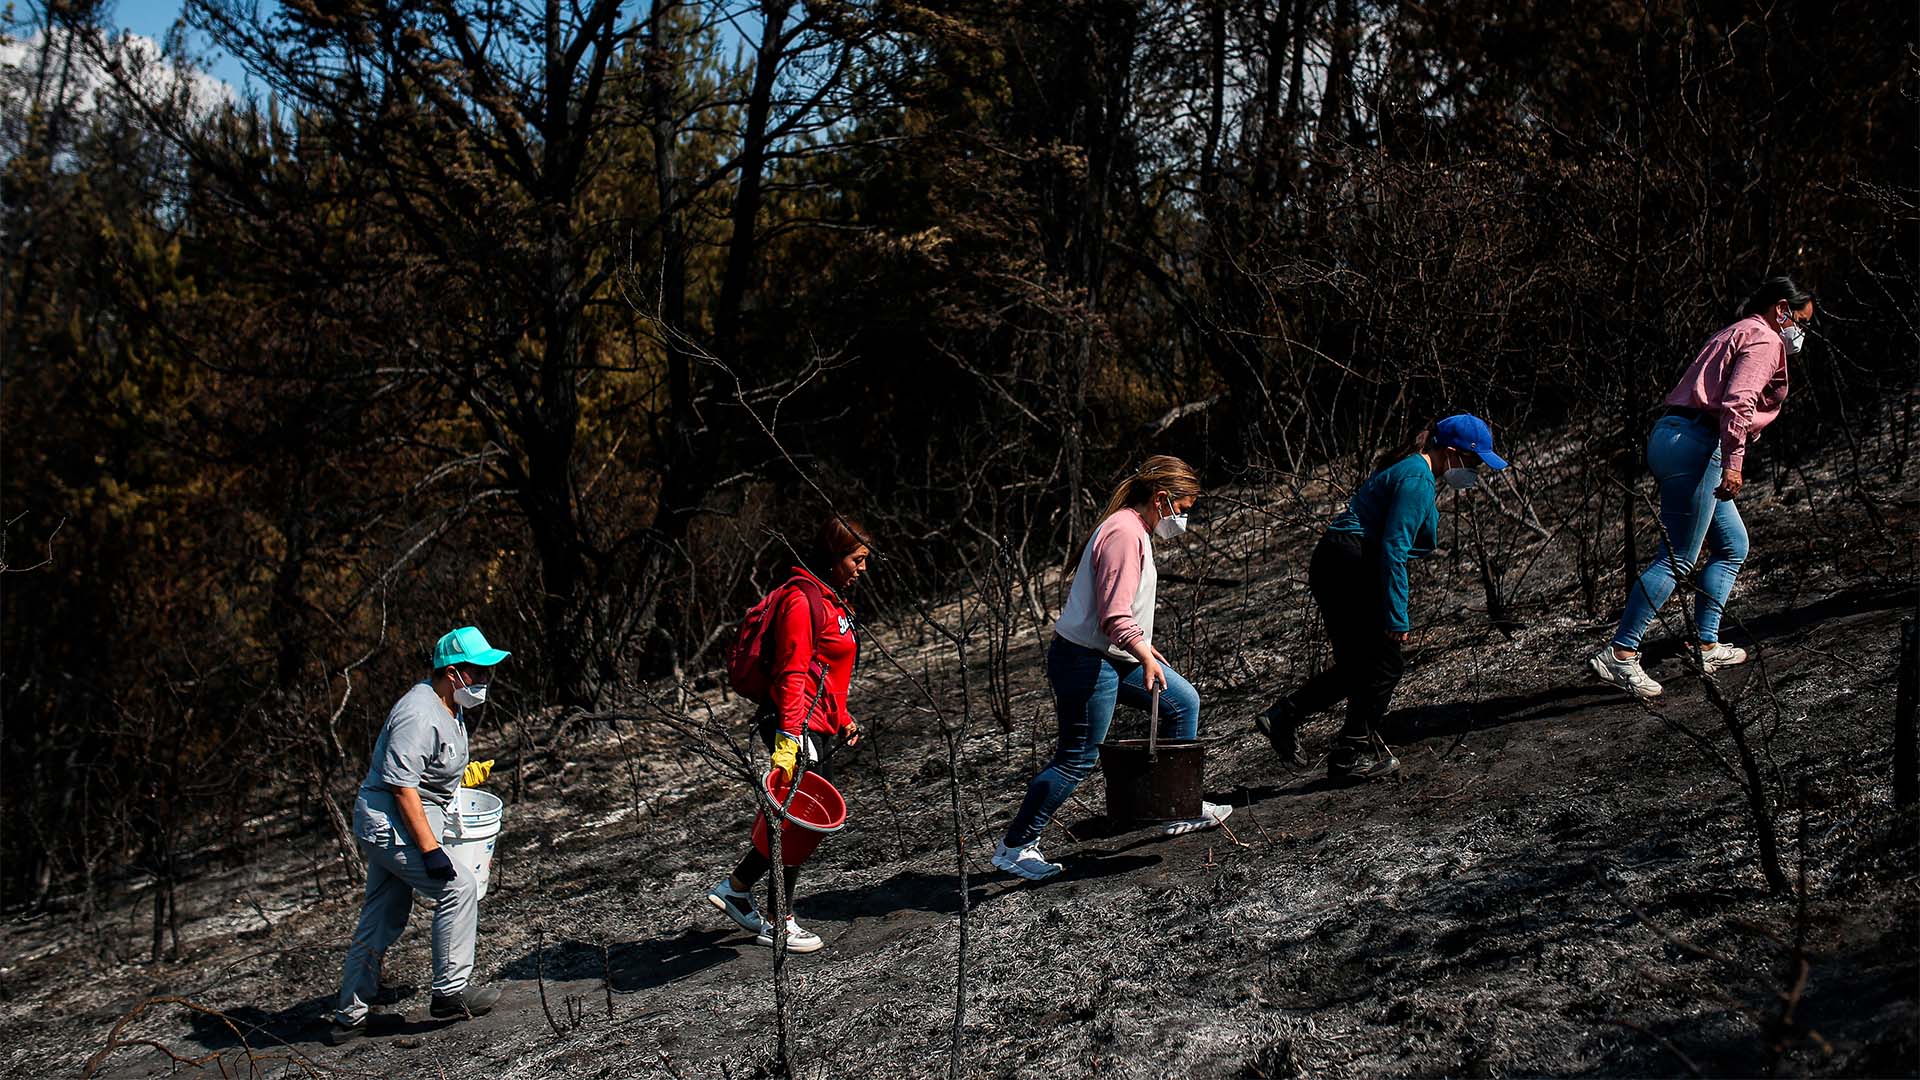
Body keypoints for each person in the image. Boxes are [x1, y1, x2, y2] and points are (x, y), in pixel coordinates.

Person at [992, 456, 1232, 883]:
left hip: (1112, 655)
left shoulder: (1132, 528)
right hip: (1086, 660)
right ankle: (1016, 846)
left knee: (1182, 702)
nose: (1184, 518)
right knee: (1077, 758)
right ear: (1161, 499)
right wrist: (1141, 652)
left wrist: (1142, 647)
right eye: (1184, 507)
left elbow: (1120, 612)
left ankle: (1176, 807)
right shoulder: (1124, 534)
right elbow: (1113, 615)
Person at [1588, 277, 1813, 698]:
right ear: (1782, 309)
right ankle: (1619, 654)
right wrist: (1734, 462)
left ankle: (1706, 644)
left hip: (1673, 434)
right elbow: (1738, 401)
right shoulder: (1765, 338)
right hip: (1698, 444)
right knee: (1678, 558)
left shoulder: (1737, 329)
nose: (1801, 332)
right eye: (1801, 321)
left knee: (1732, 546)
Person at [1258, 414, 1510, 782]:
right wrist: (1397, 616)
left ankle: (1286, 720)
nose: (1476, 471)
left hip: (1341, 561)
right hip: (1349, 563)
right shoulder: (1417, 479)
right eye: (1473, 462)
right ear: (1452, 452)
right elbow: (1394, 549)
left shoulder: (1414, 472)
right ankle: (1349, 753)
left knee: (1358, 666)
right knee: (1385, 664)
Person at [330, 626, 509, 1043]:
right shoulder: (417, 712)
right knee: (458, 887)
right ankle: (450, 993)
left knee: (383, 912)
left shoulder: (449, 707)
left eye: (487, 671)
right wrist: (430, 850)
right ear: (452, 672)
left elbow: (428, 769)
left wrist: (464, 774)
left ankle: (348, 1017)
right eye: (477, 670)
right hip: (390, 824)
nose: (484, 679)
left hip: (408, 818)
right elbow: (401, 785)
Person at [706, 515, 870, 954]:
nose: (862, 568)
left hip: (815, 724)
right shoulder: (802, 601)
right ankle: (781, 922)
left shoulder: (832, 600)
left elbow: (825, 672)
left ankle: (737, 889)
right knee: (797, 825)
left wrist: (842, 716)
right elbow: (793, 673)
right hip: (794, 726)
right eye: (857, 559)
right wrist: (789, 741)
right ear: (835, 558)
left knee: (794, 821)